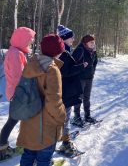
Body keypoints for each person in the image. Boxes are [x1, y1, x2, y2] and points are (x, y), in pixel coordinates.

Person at [17, 34, 66, 166]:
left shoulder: (31, 64)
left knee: (28, 155)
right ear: (57, 52)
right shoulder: (52, 70)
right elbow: (54, 102)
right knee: (44, 159)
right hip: (46, 127)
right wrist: (62, 117)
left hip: (28, 121)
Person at [0, 27, 36, 160]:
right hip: (18, 94)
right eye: (29, 40)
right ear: (22, 39)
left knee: (14, 120)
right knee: (13, 120)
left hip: (17, 92)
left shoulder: (16, 52)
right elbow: (18, 77)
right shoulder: (15, 53)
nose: (30, 43)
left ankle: (4, 147)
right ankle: (2, 149)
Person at [57, 25, 88, 155]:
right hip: (65, 91)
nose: (73, 39)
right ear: (64, 39)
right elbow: (66, 72)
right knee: (65, 117)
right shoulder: (63, 53)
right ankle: (65, 142)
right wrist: (81, 67)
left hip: (67, 89)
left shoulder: (67, 50)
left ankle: (64, 137)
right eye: (71, 37)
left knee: (65, 117)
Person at [72, 35, 98, 127]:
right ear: (86, 42)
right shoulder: (80, 50)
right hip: (80, 78)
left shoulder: (92, 51)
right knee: (79, 98)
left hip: (89, 78)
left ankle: (87, 116)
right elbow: (72, 63)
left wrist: (92, 72)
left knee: (87, 98)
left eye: (94, 42)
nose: (93, 44)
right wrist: (80, 69)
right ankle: (76, 117)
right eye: (91, 42)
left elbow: (95, 62)